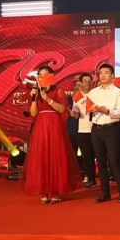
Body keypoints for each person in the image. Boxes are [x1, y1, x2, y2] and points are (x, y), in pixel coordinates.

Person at [20, 65, 81, 204]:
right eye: (40, 74)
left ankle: (56, 191)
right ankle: (44, 190)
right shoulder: (35, 92)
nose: (43, 76)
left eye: (46, 73)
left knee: (55, 156)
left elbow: (61, 109)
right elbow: (33, 113)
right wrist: (34, 98)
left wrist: (48, 99)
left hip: (54, 125)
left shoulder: (58, 91)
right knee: (41, 157)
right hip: (40, 126)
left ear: (51, 75)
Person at [88, 64, 120, 203]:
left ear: (112, 76)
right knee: (100, 162)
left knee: (114, 162)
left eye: (106, 72)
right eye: (101, 73)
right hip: (96, 129)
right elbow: (89, 108)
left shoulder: (118, 92)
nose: (103, 75)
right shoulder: (93, 92)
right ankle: (105, 192)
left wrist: (105, 111)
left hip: (111, 129)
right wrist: (91, 109)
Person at [70, 73, 97, 189]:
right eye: (85, 81)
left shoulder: (96, 94)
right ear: (80, 83)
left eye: (89, 81)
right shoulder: (77, 96)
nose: (87, 83)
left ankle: (106, 177)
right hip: (83, 130)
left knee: (100, 155)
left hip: (96, 128)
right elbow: (76, 114)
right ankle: (91, 179)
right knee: (87, 156)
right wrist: (74, 114)